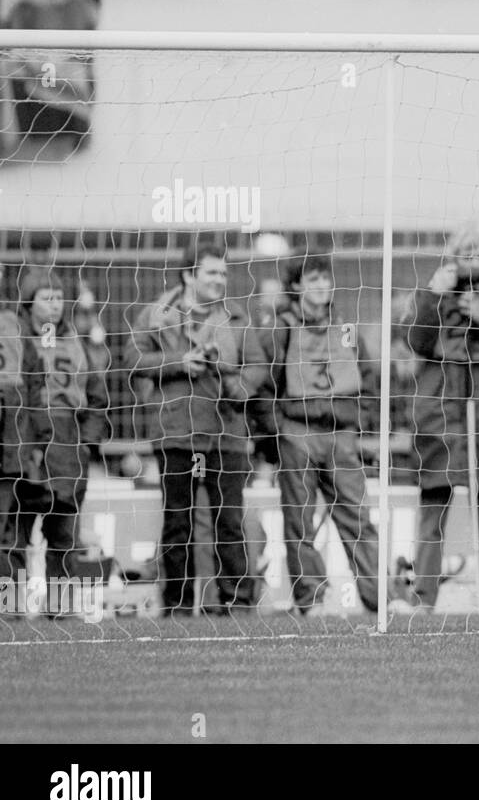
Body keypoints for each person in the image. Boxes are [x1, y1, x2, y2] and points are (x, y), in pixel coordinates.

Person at [128, 239, 267, 616]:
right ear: (189, 275)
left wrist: (240, 387)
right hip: (177, 431)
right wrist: (178, 361)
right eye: (212, 272)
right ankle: (177, 605)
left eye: (224, 272)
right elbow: (132, 358)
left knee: (229, 521)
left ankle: (237, 605)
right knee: (178, 521)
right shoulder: (155, 314)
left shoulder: (238, 318)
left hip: (227, 433)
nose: (221, 279)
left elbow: (257, 365)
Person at [401, 226, 479, 613]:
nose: (471, 258)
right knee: (433, 507)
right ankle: (423, 598)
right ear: (452, 257)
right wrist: (431, 295)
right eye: (464, 251)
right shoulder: (434, 293)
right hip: (440, 415)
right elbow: (416, 341)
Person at [249, 252, 381, 616]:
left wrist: (357, 422)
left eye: (325, 278)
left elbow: (369, 378)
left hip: (341, 436)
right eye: (313, 279)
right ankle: (310, 600)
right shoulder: (280, 327)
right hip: (297, 433)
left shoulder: (346, 327)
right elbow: (263, 384)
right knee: (300, 522)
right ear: (296, 286)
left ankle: (378, 600)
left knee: (358, 518)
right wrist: (280, 432)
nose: (323, 285)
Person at [0, 268, 109, 618]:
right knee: (14, 532)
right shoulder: (16, 341)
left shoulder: (78, 345)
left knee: (63, 536)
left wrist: (88, 444)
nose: (55, 306)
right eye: (46, 298)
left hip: (67, 446)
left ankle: (60, 608)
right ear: (29, 304)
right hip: (25, 441)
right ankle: (9, 606)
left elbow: (96, 398)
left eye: (59, 298)